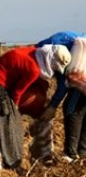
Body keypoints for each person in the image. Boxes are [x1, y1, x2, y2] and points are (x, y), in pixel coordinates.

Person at [0, 44, 71, 169]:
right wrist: (13, 111)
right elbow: (17, 93)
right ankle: (10, 164)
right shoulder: (34, 69)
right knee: (7, 125)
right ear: (50, 60)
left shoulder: (35, 52)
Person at [36, 31, 86, 162]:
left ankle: (71, 153)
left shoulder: (56, 53)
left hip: (82, 79)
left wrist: (52, 106)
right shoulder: (65, 39)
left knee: (72, 109)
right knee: (83, 110)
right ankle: (82, 153)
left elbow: (63, 85)